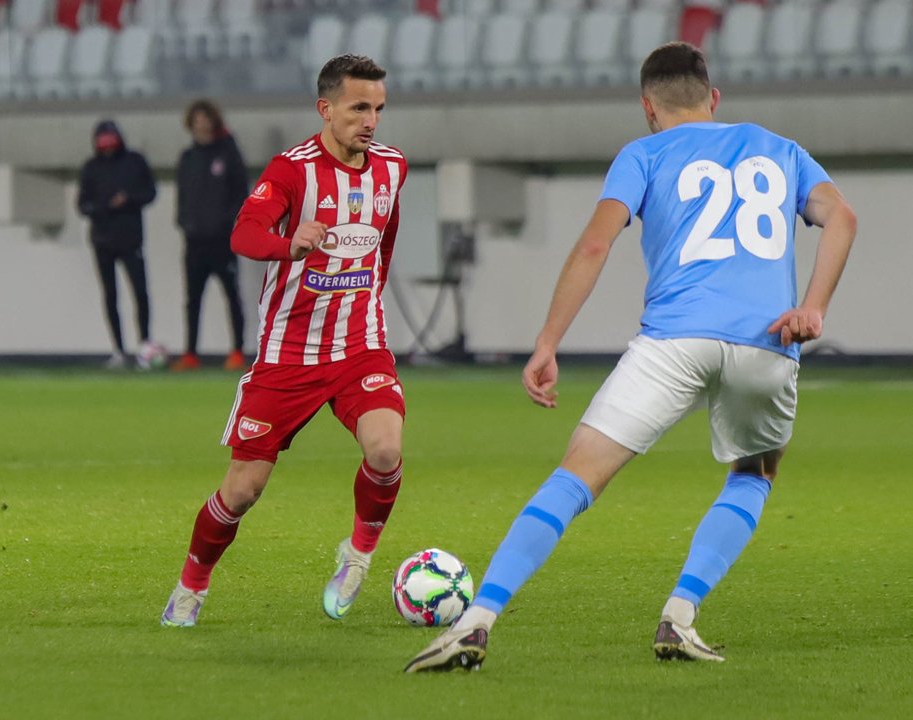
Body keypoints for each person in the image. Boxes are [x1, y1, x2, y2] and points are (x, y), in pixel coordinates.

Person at [405, 42, 857, 672]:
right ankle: (680, 615)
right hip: (767, 344)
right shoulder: (779, 148)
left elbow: (595, 246)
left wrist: (547, 341)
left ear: (648, 107)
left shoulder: (642, 154)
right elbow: (842, 217)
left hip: (673, 342)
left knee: (577, 475)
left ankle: (476, 621)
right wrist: (814, 308)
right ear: (714, 98)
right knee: (754, 473)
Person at [160, 54, 410, 627]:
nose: (370, 121)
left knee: (385, 450)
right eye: (358, 108)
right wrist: (288, 243)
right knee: (242, 490)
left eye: (378, 109)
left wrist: (371, 291)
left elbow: (386, 233)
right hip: (288, 357)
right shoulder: (292, 170)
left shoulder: (392, 166)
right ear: (326, 108)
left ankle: (357, 556)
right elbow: (244, 233)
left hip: (359, 347)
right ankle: (191, 586)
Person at [171, 99, 249, 372]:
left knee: (232, 295)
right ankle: (191, 353)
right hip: (194, 241)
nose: (201, 124)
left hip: (222, 240)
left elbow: (241, 193)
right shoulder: (188, 157)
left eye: (205, 119)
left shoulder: (228, 153)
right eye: (196, 120)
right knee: (192, 299)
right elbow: (182, 196)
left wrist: (228, 223)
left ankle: (237, 351)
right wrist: (184, 222)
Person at [77, 119, 161, 369]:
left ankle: (145, 345)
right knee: (111, 294)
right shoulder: (91, 167)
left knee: (140, 292)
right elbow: (83, 205)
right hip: (102, 240)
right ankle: (118, 349)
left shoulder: (134, 162)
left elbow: (150, 192)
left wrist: (128, 200)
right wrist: (105, 206)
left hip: (131, 238)